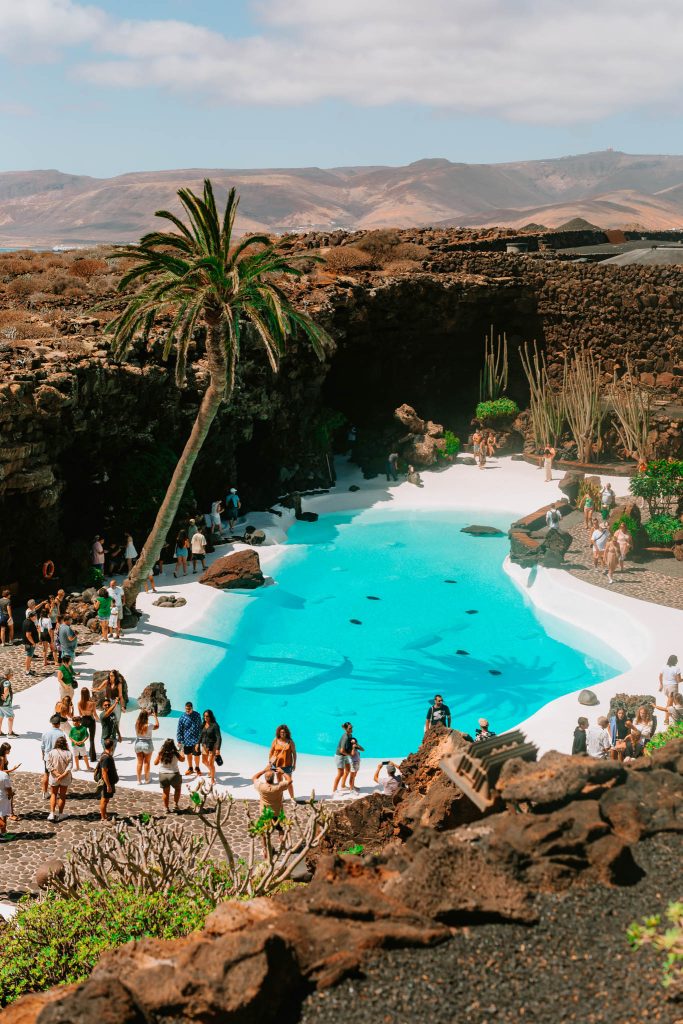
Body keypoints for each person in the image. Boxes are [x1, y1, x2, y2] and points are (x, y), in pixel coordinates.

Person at [45, 735, 73, 822]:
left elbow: (48, 765)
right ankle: (60, 814)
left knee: (53, 794)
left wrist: (57, 774)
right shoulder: (69, 753)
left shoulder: (51, 752)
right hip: (65, 778)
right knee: (62, 796)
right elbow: (70, 767)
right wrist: (62, 775)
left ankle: (52, 813)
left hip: (54, 778)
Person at [154, 738, 185, 813]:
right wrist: (182, 750)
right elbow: (183, 759)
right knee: (177, 789)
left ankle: (166, 808)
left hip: (163, 775)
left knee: (165, 792)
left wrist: (159, 755)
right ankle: (175, 805)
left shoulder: (161, 753)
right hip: (174, 774)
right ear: (173, 745)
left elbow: (155, 763)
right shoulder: (176, 753)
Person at [94, 669, 126, 739]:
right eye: (110, 675)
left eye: (112, 675)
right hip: (108, 703)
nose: (110, 677)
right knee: (108, 717)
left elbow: (120, 695)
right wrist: (94, 689)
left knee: (116, 719)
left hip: (116, 703)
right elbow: (99, 688)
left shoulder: (119, 684)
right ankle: (108, 733)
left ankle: (116, 734)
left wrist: (123, 706)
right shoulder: (106, 682)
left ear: (115, 676)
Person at [268, 724, 297, 800]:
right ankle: (281, 797)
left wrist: (294, 764)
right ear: (279, 733)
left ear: (287, 733)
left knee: (289, 782)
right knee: (279, 782)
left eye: (284, 732)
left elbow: (294, 753)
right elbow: (271, 752)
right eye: (281, 732)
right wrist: (270, 762)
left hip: (287, 765)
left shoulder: (290, 742)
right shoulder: (275, 740)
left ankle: (292, 798)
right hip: (277, 765)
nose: (282, 734)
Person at [40, 713, 64, 801]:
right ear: (59, 723)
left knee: (46, 774)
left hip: (47, 757)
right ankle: (55, 793)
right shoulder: (61, 733)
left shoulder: (45, 733)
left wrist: (43, 755)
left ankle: (44, 792)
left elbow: (42, 746)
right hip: (57, 757)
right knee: (57, 774)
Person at [177, 701, 203, 776]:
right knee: (188, 754)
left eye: (189, 709)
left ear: (192, 708)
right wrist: (179, 740)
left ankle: (197, 768)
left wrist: (200, 739)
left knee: (197, 755)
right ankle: (190, 768)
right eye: (186, 709)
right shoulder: (182, 717)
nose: (187, 711)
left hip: (196, 740)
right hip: (186, 740)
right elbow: (179, 729)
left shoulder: (197, 715)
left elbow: (200, 727)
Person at [134, 709, 159, 785]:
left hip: (138, 744)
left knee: (139, 763)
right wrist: (155, 717)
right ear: (146, 717)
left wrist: (146, 714)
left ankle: (138, 780)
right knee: (146, 762)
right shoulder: (149, 725)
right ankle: (147, 779)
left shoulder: (136, 724)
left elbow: (141, 718)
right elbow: (157, 726)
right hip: (147, 744)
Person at [96, 737, 118, 821]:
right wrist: (108, 785)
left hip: (109, 781)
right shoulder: (106, 757)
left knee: (106, 799)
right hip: (107, 782)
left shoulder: (105, 754)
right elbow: (104, 772)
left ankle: (104, 814)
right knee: (104, 800)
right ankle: (103, 817)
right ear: (112, 746)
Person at [198, 709, 221, 783]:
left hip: (212, 746)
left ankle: (212, 779)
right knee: (204, 761)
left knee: (211, 763)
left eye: (207, 716)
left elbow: (219, 737)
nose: (205, 718)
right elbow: (201, 735)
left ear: (210, 716)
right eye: (204, 716)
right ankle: (211, 771)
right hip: (204, 745)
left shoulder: (215, 725)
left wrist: (218, 749)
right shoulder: (204, 724)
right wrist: (197, 743)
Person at [332, 721, 355, 794]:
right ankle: (334, 790)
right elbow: (341, 750)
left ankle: (343, 785)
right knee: (340, 773)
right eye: (350, 728)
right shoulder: (345, 737)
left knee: (347, 770)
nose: (351, 729)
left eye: (352, 727)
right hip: (340, 756)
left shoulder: (350, 735)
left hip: (345, 756)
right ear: (346, 729)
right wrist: (349, 754)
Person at [77, 686, 98, 762]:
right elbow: (95, 714)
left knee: (81, 738)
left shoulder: (79, 703)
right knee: (92, 739)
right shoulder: (92, 703)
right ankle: (92, 758)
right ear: (88, 694)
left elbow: (80, 713)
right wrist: (100, 720)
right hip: (91, 720)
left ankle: (79, 755)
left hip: (84, 720)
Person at [22, 610, 39, 675]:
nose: (36, 617)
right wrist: (33, 643)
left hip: (28, 643)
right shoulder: (29, 623)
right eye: (35, 616)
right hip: (30, 643)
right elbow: (28, 635)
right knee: (29, 657)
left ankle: (28, 669)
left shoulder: (26, 621)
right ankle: (27, 671)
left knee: (29, 656)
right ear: (31, 617)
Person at [0, 671, 16, 737]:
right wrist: (5, 696)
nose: (12, 676)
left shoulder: (0, 679)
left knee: (0, 717)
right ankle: (10, 733)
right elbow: (6, 689)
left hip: (0, 703)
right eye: (12, 675)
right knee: (11, 717)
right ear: (9, 675)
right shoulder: (7, 682)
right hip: (5, 704)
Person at [0, 761, 13, 839]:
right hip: (2, 797)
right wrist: (11, 794)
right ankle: (3, 834)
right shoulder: (3, 775)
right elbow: (8, 788)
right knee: (3, 814)